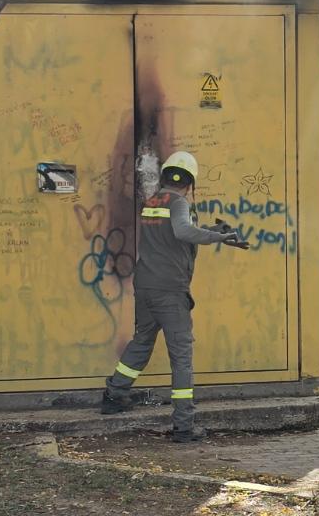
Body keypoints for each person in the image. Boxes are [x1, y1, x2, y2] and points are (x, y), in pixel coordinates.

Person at [99, 151, 238, 442]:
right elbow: (183, 231)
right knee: (182, 357)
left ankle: (115, 395)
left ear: (165, 176)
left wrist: (212, 230)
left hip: (146, 286)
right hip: (170, 291)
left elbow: (172, 235)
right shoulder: (179, 202)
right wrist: (219, 238)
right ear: (190, 183)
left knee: (143, 339)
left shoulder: (153, 202)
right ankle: (184, 426)